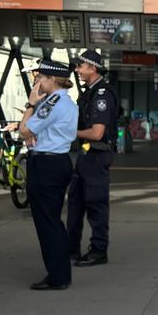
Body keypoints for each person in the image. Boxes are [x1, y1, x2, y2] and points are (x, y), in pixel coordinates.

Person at [18, 59, 78, 291]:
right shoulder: (67, 102)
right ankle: (60, 272)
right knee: (51, 220)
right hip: (58, 161)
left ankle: (58, 276)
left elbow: (25, 130)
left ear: (52, 79)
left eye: (40, 77)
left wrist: (30, 105)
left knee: (48, 223)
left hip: (46, 166)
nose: (37, 82)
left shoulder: (50, 103)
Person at [67, 49, 118, 267]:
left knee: (96, 204)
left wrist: (69, 133)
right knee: (75, 204)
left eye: (81, 66)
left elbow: (97, 133)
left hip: (97, 155)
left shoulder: (102, 95)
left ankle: (99, 250)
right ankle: (70, 249)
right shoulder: (88, 93)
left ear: (92, 68)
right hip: (85, 155)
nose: (77, 70)